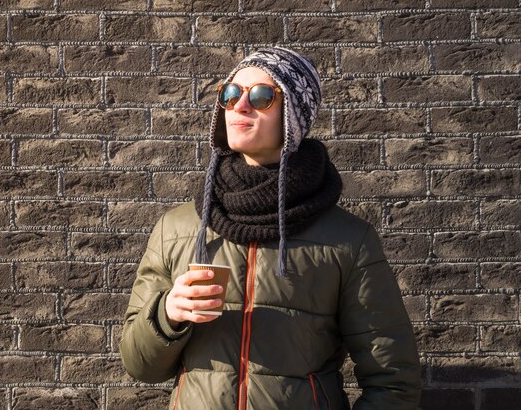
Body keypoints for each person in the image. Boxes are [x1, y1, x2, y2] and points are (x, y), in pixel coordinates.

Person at [120, 47, 422, 410]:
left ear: (293, 113)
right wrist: (167, 313)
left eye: (261, 96)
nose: (239, 105)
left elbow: (394, 380)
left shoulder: (347, 240)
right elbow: (139, 365)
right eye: (230, 94)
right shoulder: (178, 228)